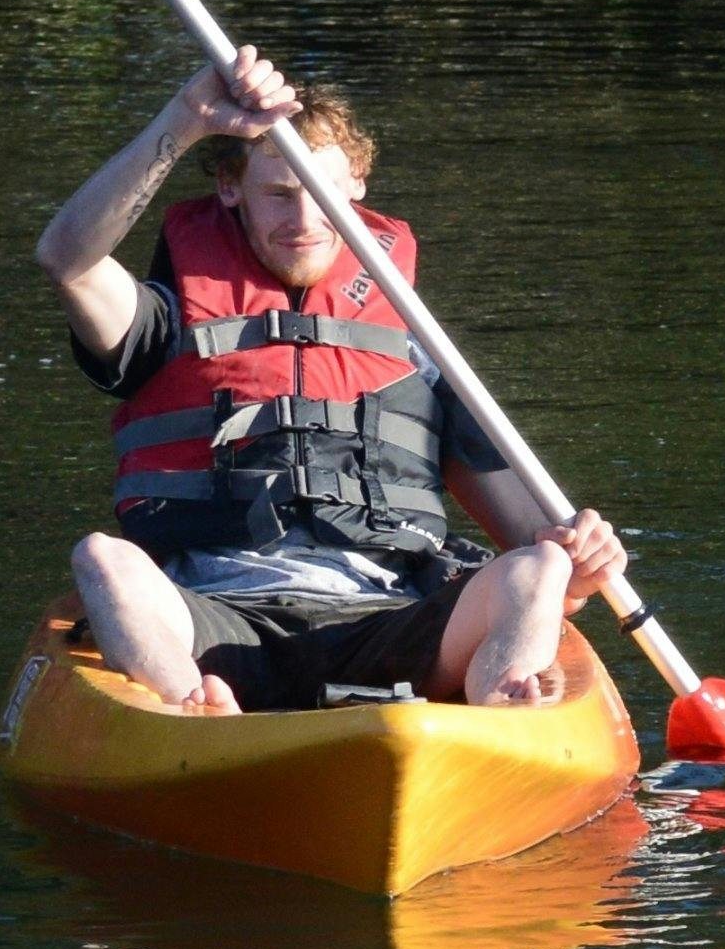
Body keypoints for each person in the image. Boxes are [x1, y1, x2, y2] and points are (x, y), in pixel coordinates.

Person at [42, 57, 621, 715]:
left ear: (356, 189)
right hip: (213, 621)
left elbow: (537, 554)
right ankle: (196, 716)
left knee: (538, 570)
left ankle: (503, 706)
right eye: (279, 194)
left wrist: (584, 564)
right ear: (230, 188)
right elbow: (65, 259)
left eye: (321, 192)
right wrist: (184, 121)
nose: (304, 218)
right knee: (101, 560)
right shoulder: (160, 321)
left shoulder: (420, 357)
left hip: (389, 620)